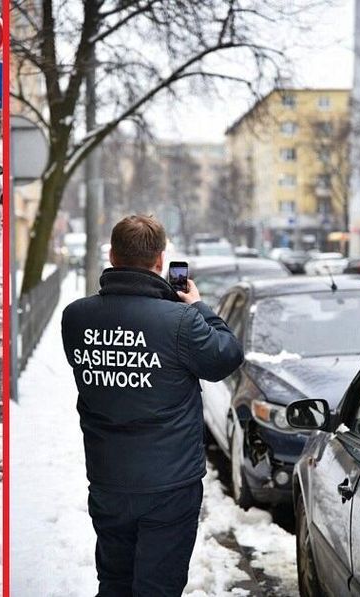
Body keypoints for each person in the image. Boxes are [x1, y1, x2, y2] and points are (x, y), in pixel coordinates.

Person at [61, 215, 244, 596]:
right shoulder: (180, 321)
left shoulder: (75, 317)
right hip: (169, 486)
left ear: (112, 256)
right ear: (161, 262)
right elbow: (226, 356)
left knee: (114, 583)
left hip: (108, 478)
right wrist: (198, 307)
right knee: (157, 588)